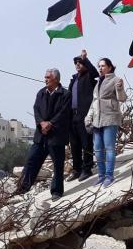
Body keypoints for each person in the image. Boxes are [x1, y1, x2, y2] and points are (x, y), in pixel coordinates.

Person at [18, 68, 71, 200]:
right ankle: (22, 189)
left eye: (48, 77)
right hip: (41, 135)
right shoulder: (41, 93)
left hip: (56, 136)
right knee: (31, 161)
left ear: (56, 79)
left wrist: (51, 123)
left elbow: (64, 113)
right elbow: (36, 109)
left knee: (58, 165)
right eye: (45, 77)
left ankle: (56, 191)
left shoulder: (65, 94)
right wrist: (41, 123)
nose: (45, 79)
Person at [85, 58, 127, 186]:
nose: (100, 68)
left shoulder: (116, 80)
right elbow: (94, 102)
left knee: (109, 148)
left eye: (103, 66)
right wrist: (88, 117)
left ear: (110, 67)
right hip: (97, 120)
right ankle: (101, 176)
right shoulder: (98, 82)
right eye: (99, 66)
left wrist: (120, 88)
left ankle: (109, 176)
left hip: (110, 118)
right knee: (97, 149)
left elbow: (122, 98)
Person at [67, 50, 99, 181]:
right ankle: (77, 169)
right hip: (73, 116)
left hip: (84, 115)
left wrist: (86, 59)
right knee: (74, 144)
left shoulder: (89, 76)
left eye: (80, 62)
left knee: (86, 143)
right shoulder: (74, 79)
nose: (78, 64)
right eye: (76, 63)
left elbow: (95, 73)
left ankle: (87, 169)